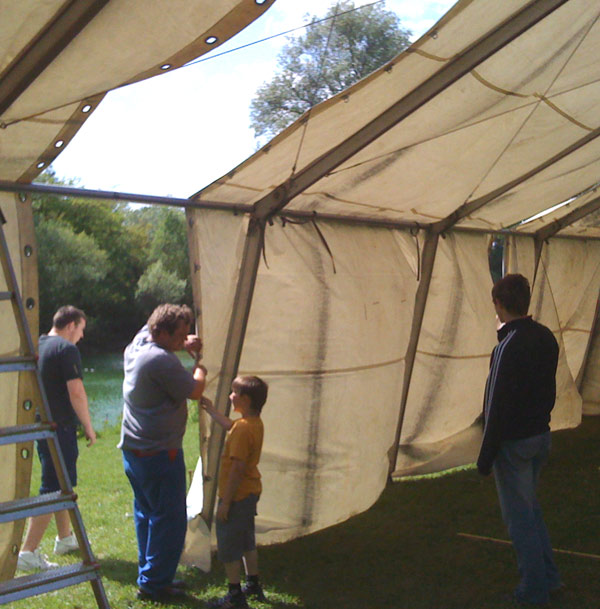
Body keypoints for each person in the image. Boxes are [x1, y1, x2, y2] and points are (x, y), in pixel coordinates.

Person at [477, 274, 563, 606]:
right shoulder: (545, 337)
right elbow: (546, 390)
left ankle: (534, 589)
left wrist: (485, 458)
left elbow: (495, 405)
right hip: (540, 435)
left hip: (516, 443)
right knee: (530, 511)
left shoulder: (507, 346)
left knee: (520, 520)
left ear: (499, 305)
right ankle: (549, 578)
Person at [119, 303, 206, 603]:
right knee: (169, 520)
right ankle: (155, 584)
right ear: (163, 333)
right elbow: (194, 390)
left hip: (135, 451)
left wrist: (183, 341)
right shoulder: (160, 360)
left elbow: (151, 325)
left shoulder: (138, 344)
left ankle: (152, 576)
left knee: (147, 514)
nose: (184, 341)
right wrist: (201, 366)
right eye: (180, 336)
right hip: (159, 453)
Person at [17, 305, 96, 571]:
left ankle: (64, 538)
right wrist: (88, 426)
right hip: (60, 427)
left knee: (61, 483)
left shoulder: (39, 344)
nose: (82, 336)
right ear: (71, 325)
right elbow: (77, 392)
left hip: (42, 425)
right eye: (81, 329)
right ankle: (27, 552)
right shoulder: (66, 349)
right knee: (53, 488)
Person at [202, 375, 269, 609]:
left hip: (237, 496)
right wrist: (212, 411)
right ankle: (253, 584)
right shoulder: (252, 423)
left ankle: (235, 596)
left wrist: (226, 503)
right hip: (250, 492)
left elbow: (237, 468)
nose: (231, 396)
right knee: (247, 540)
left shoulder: (242, 429)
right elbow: (232, 427)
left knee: (229, 546)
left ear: (245, 399)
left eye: (234, 392)